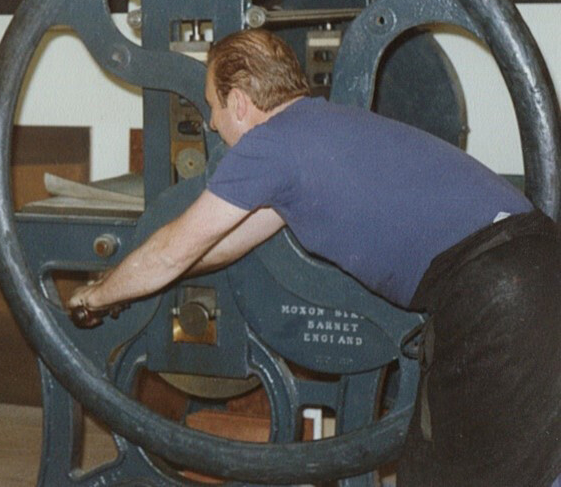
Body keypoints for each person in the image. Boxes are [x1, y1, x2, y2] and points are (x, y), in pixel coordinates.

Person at [69, 28, 561, 486]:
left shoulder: (268, 147)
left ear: (239, 103)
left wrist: (96, 294)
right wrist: (127, 286)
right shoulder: (316, 129)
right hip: (532, 270)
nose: (213, 125)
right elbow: (216, 246)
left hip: (498, 293)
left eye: (212, 106)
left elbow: (170, 252)